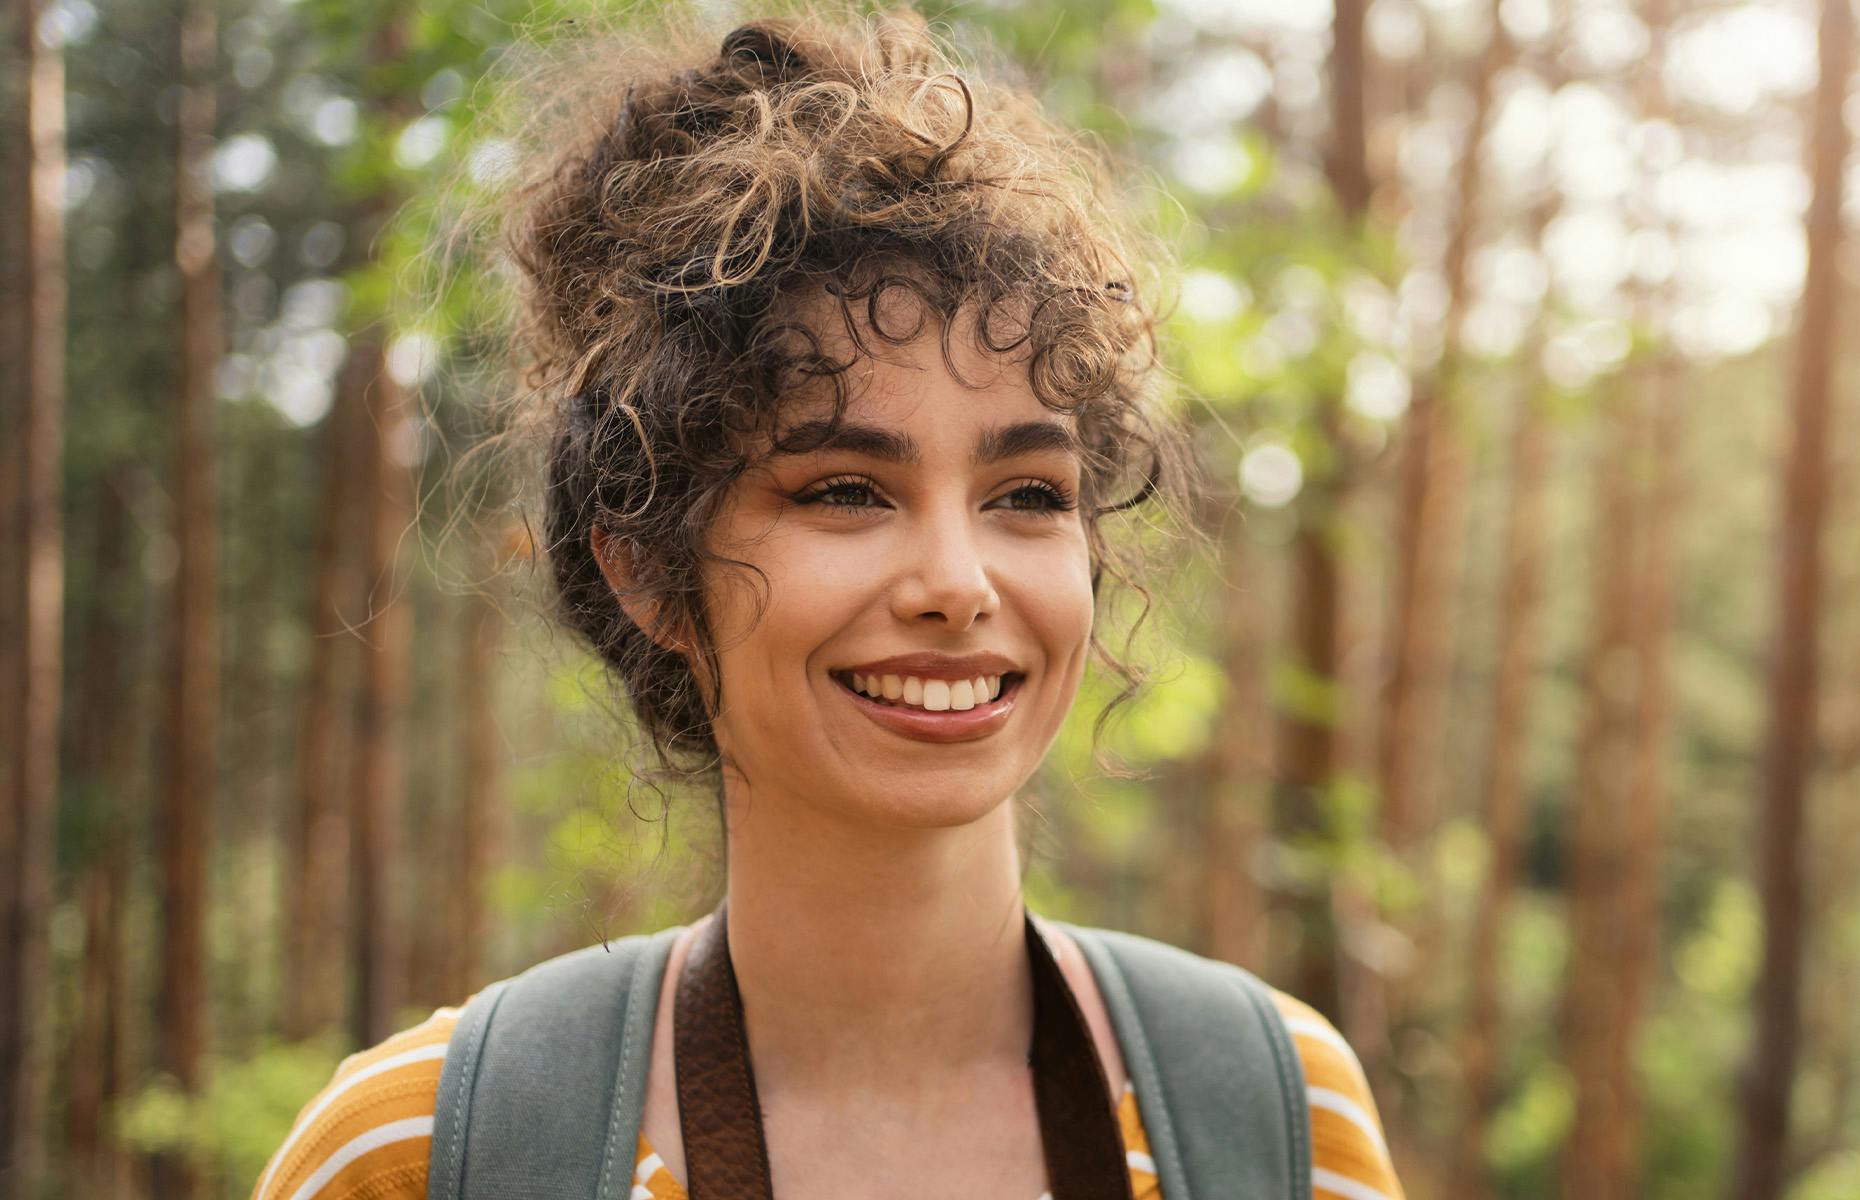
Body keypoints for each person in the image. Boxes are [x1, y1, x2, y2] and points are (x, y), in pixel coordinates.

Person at [253, 4, 1404, 1198]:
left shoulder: (1275, 1115)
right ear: (646, 568)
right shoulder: (420, 1152)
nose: (959, 585)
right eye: (847, 490)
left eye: (1028, 493)